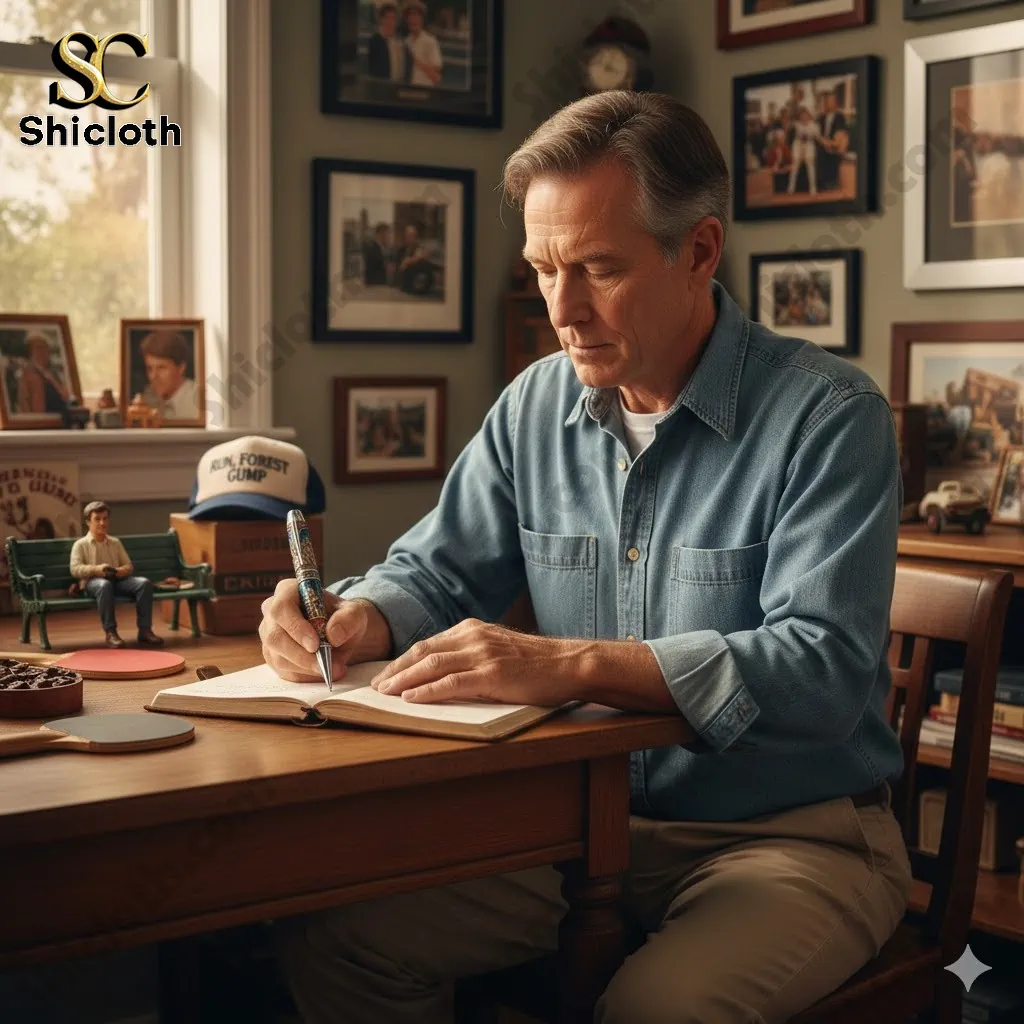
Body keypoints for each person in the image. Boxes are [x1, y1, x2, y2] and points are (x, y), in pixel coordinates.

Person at [262, 91, 910, 1024]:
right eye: (542, 269)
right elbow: (438, 572)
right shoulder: (534, 407)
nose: (562, 310)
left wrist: (565, 665)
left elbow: (822, 672)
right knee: (337, 936)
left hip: (793, 839)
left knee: (654, 1012)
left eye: (599, 269)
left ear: (699, 251)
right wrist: (360, 613)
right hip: (576, 831)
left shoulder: (829, 417)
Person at [70, 501, 163, 648]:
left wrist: (121, 571)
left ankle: (145, 630)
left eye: (105, 518)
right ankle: (111, 632)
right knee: (104, 585)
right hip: (93, 583)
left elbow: (128, 565)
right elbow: (75, 569)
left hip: (117, 581)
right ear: (88, 521)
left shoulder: (115, 543)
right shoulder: (80, 545)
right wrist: (96, 570)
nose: (102, 523)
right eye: (97, 519)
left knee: (143, 583)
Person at [138, 330, 200, 421]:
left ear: (181, 368)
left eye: (161, 368)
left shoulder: (199, 399)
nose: (153, 376)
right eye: (150, 369)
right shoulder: (148, 397)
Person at [15, 333, 68, 415]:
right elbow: (24, 404)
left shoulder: (54, 372)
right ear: (31, 351)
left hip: (58, 420)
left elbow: (66, 397)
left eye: (45, 348)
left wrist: (52, 379)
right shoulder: (25, 374)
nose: (43, 351)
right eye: (38, 348)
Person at [402, 0, 442, 87]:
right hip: (407, 90)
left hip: (425, 91)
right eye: (411, 15)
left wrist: (416, 62)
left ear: (422, 19)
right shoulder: (405, 42)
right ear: (407, 19)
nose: (414, 19)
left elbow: (437, 77)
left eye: (417, 15)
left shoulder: (431, 42)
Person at [366, 1, 408, 82]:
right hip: (381, 87)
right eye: (387, 18)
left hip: (398, 87)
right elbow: (373, 70)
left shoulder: (399, 42)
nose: (390, 22)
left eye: (393, 18)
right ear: (381, 19)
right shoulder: (375, 41)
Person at [817, 91, 848, 192]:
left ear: (835, 102)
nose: (828, 103)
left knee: (831, 151)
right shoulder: (821, 117)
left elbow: (840, 134)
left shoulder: (840, 116)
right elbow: (817, 133)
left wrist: (829, 143)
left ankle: (832, 181)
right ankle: (821, 182)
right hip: (822, 143)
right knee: (819, 151)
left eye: (831, 101)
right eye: (827, 101)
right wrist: (822, 141)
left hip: (834, 143)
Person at [788, 105, 820, 195]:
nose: (804, 117)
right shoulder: (796, 124)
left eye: (806, 115)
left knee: (810, 166)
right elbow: (789, 121)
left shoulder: (814, 125)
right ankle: (791, 188)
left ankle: (813, 189)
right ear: (799, 116)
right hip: (798, 144)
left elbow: (817, 137)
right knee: (795, 165)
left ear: (809, 115)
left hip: (809, 144)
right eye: (802, 115)